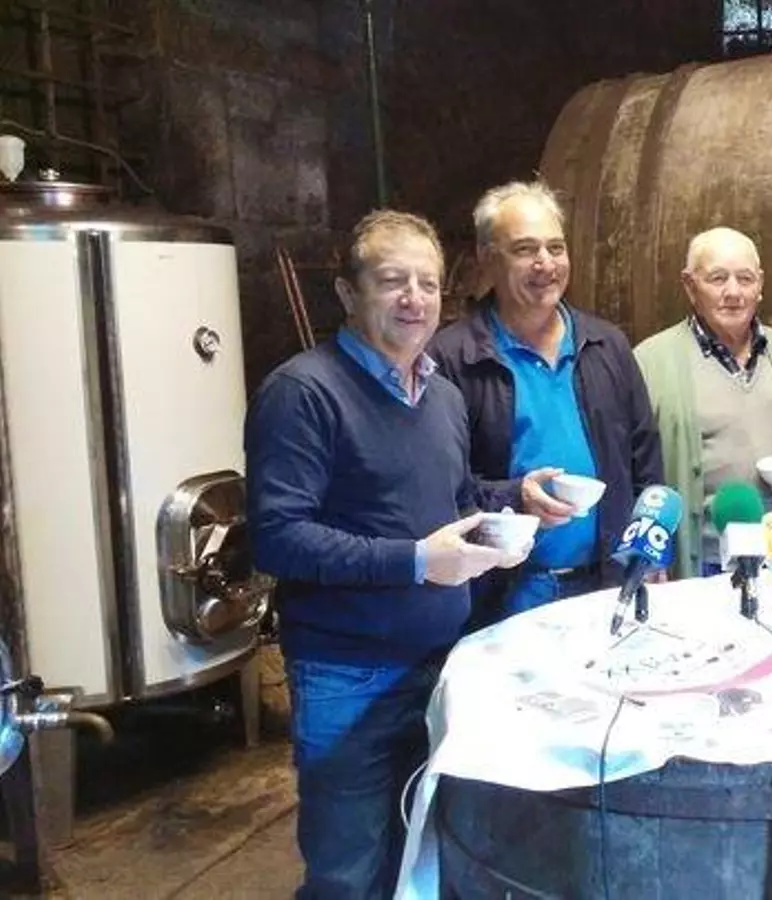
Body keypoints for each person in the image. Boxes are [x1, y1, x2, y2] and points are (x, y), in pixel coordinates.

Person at [246, 210, 528, 898]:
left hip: (440, 663)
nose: (414, 299)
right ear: (348, 292)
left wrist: (519, 497)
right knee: (348, 869)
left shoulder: (442, 396)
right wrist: (415, 561)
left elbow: (451, 498)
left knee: (419, 857)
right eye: (392, 281)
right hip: (349, 673)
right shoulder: (304, 392)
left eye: (427, 284)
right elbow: (278, 535)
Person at [431, 179, 663, 623]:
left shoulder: (606, 345)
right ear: (487, 258)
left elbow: (645, 459)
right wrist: (515, 496)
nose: (546, 263)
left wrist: (650, 552)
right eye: (525, 249)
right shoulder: (452, 358)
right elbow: (442, 487)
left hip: (607, 581)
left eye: (556, 248)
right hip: (507, 593)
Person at [634, 226, 772, 578]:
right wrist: (649, 554)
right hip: (701, 563)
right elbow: (629, 467)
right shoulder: (650, 362)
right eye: (717, 278)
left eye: (745, 279)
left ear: (760, 284)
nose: (733, 293)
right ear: (690, 285)